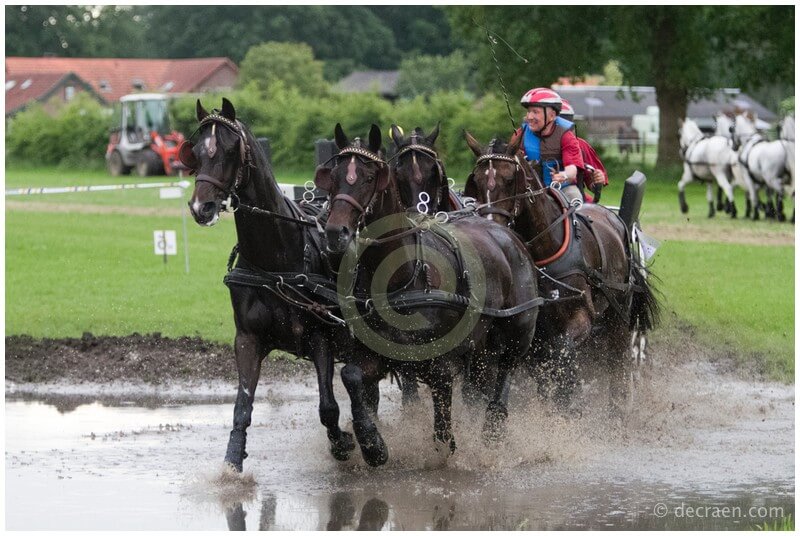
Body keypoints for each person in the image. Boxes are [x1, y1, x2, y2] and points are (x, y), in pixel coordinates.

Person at [517, 88, 585, 204]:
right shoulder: (520, 134)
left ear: (552, 116)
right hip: (530, 189)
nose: (529, 117)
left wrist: (564, 175)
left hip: (562, 188)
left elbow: (572, 170)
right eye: (529, 111)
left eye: (535, 112)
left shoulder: (566, 136)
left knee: (575, 199)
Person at [559, 98, 608, 203]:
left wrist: (597, 180)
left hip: (572, 196)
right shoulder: (528, 144)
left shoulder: (581, 145)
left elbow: (591, 183)